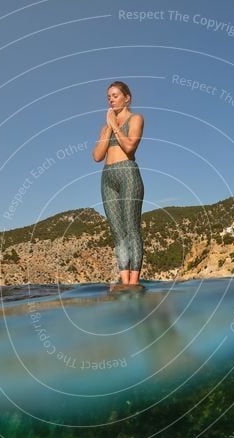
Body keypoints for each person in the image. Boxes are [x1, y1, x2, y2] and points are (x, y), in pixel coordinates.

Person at [92, 81, 145, 289]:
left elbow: (130, 147)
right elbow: (97, 156)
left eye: (115, 95)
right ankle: (124, 283)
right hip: (107, 177)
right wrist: (107, 129)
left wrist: (114, 125)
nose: (111, 99)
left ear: (127, 98)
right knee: (117, 231)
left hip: (128, 172)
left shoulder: (136, 119)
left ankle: (134, 282)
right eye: (108, 97)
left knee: (132, 228)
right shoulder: (105, 127)